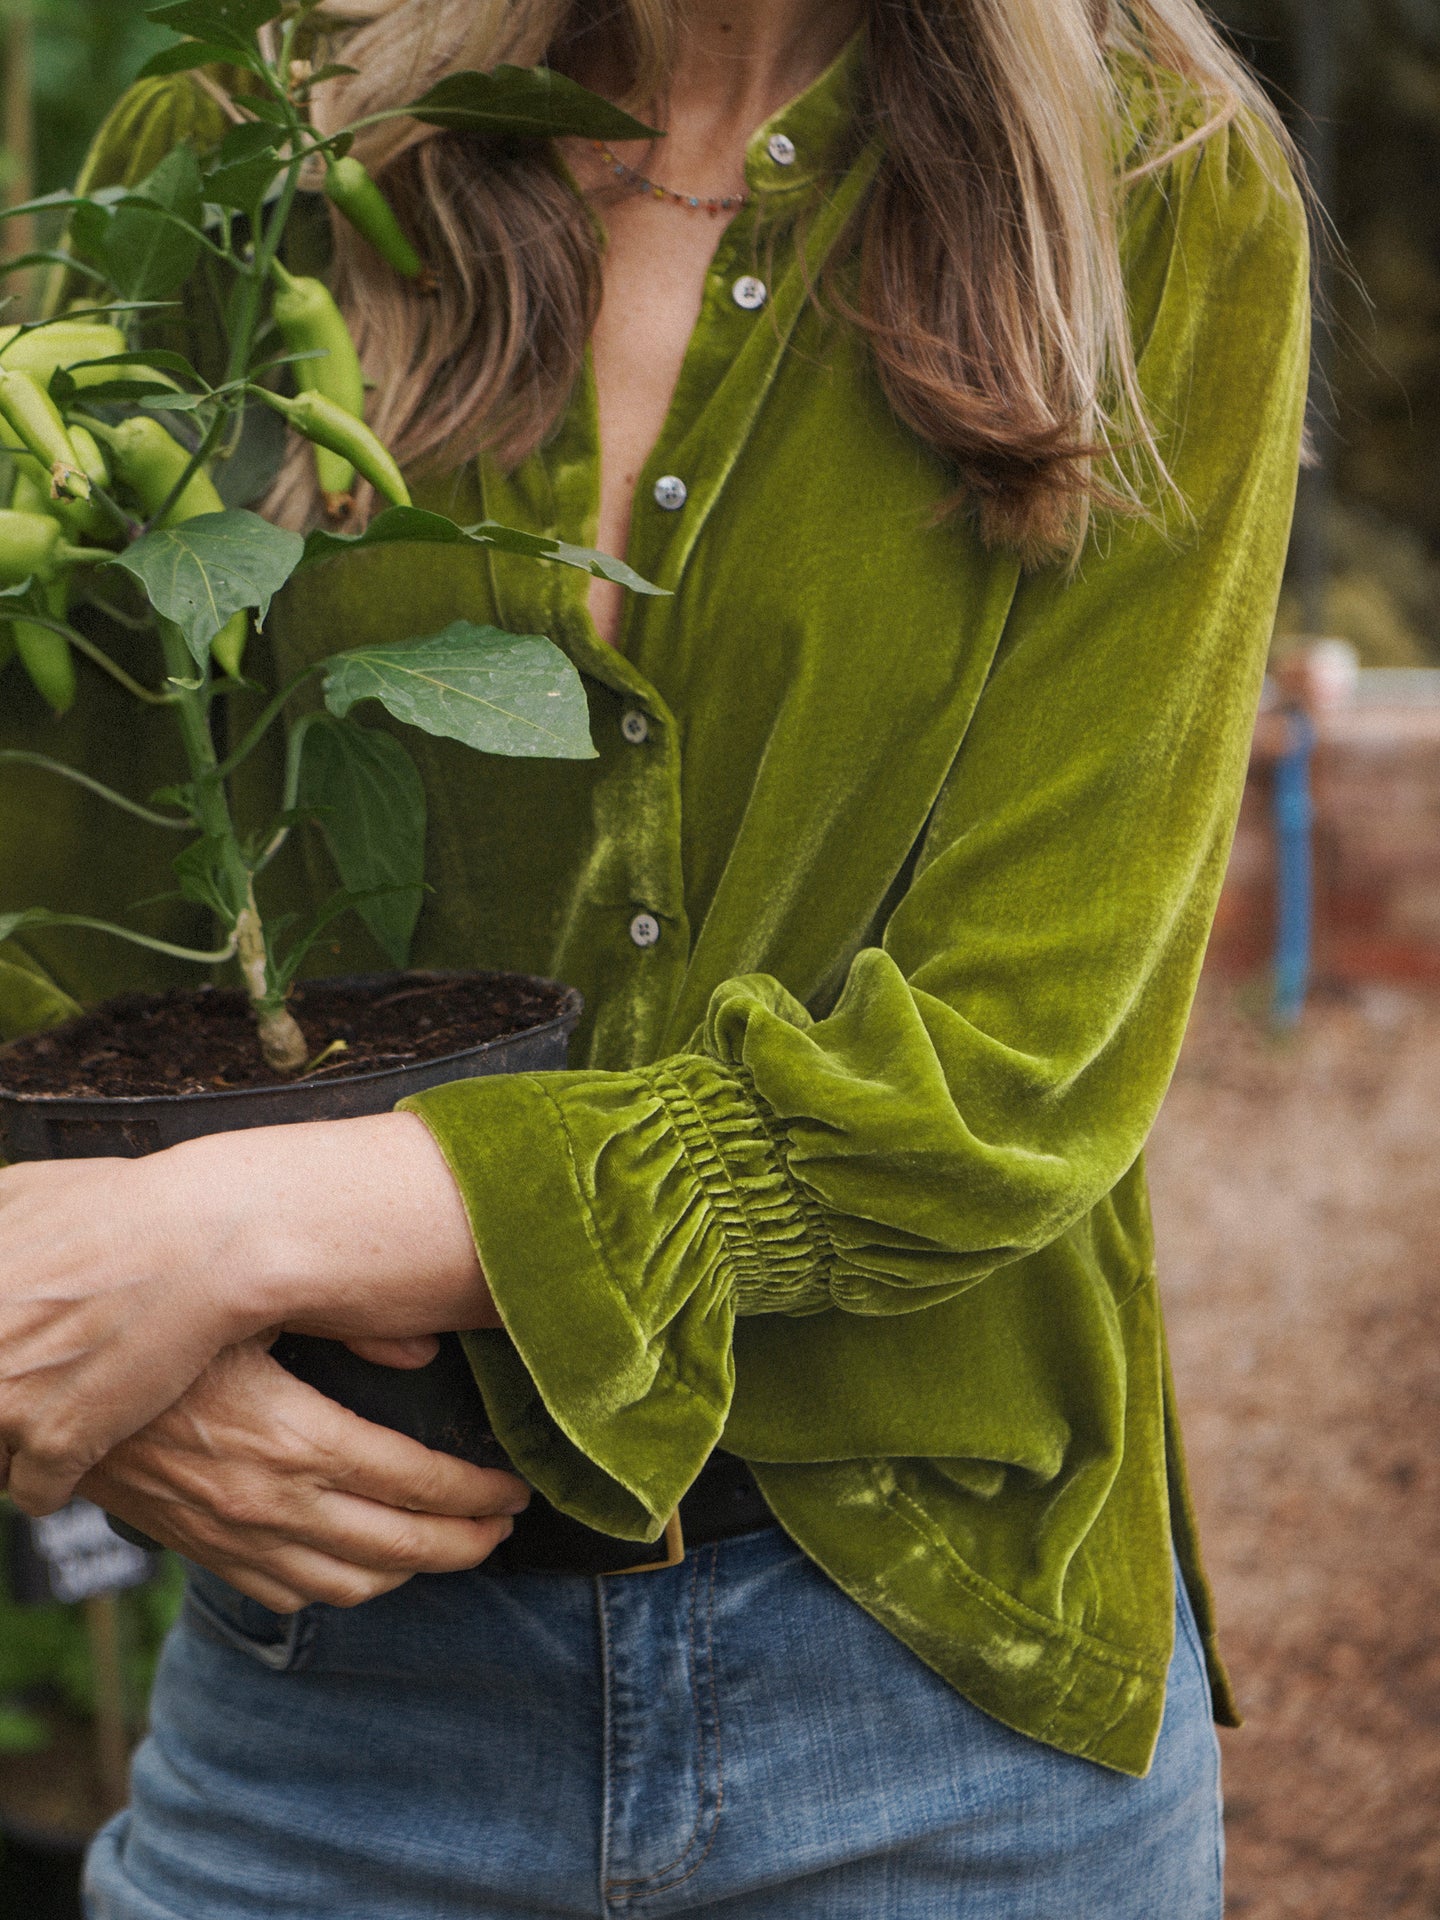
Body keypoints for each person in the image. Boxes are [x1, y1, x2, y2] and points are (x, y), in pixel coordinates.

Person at [0, 1, 1309, 1914]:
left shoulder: (1151, 193)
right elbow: (44, 925)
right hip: (332, 1685)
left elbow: (1008, 1077)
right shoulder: (252, 146)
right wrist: (131, 1392)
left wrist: (212, 1239)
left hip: (932, 1683)